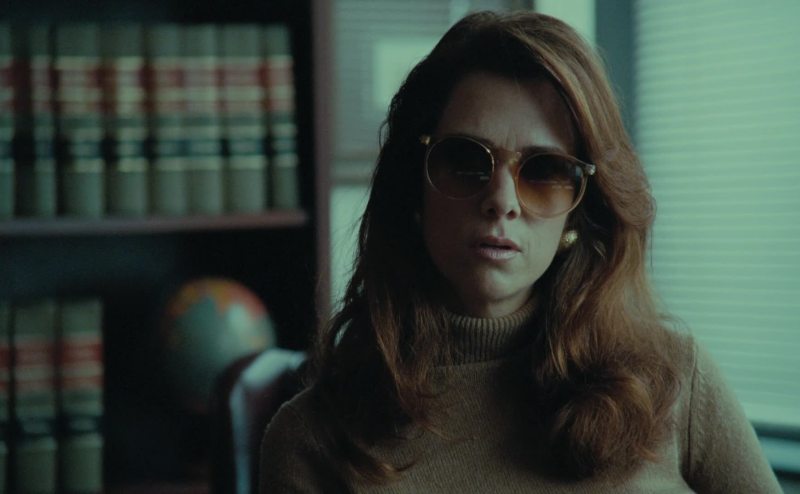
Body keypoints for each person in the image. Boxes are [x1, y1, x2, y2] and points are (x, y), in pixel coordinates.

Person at [259, 11, 782, 493]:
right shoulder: (312, 439)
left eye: (545, 170)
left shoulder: (674, 382)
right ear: (414, 188)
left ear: (580, 211)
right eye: (466, 161)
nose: (502, 201)